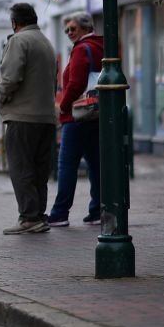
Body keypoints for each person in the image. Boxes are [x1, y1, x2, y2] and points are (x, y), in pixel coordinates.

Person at [0, 2, 58, 234]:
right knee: (39, 171)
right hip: (45, 117)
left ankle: (29, 218)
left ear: (14, 22)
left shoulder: (18, 41)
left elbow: (10, 78)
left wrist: (1, 100)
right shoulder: (46, 42)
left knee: (21, 168)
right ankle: (39, 215)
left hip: (22, 116)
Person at [46, 13, 103, 227]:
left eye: (72, 28)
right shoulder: (101, 45)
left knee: (66, 164)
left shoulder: (81, 49)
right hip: (96, 112)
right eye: (67, 30)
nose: (69, 33)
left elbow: (76, 84)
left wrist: (63, 105)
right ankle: (98, 209)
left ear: (85, 27)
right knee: (95, 163)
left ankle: (60, 213)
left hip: (77, 115)